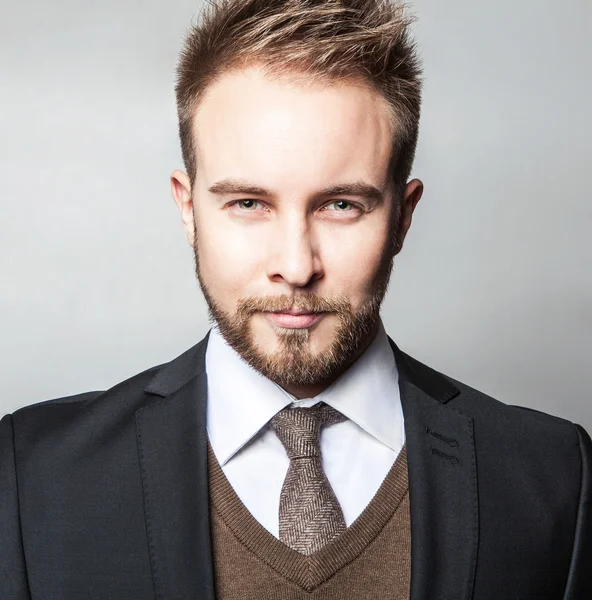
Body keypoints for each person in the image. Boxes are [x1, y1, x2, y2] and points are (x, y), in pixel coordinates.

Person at [1, 0, 590, 598]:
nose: (295, 266)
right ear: (188, 208)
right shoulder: (32, 477)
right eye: (249, 204)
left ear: (403, 217)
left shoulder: (552, 477)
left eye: (341, 206)